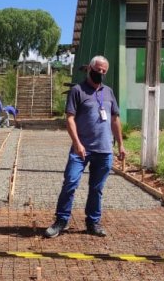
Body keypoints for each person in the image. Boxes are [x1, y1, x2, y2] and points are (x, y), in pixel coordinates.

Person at [44, 55, 125, 238]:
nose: (101, 73)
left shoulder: (109, 92)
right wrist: (77, 144)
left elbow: (114, 119)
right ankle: (61, 221)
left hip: (104, 151)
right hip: (81, 150)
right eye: (98, 70)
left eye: (104, 71)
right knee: (70, 183)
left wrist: (121, 144)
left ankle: (92, 222)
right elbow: (70, 119)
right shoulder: (78, 91)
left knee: (97, 188)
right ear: (90, 68)